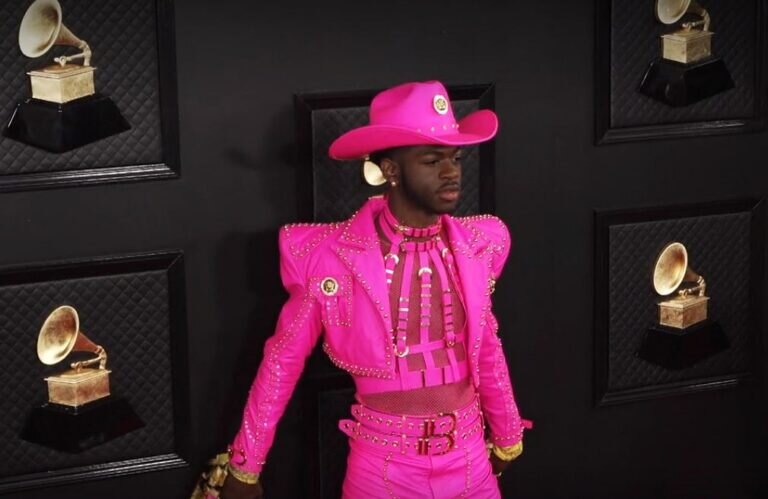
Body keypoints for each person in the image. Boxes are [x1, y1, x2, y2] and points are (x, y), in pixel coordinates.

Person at [219, 80, 530, 499]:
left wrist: (508, 435)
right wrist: (245, 465)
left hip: (472, 461)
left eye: (455, 158)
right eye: (432, 160)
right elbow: (282, 362)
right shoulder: (327, 257)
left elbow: (486, 343)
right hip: (383, 471)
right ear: (391, 170)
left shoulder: (478, 244)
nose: (451, 171)